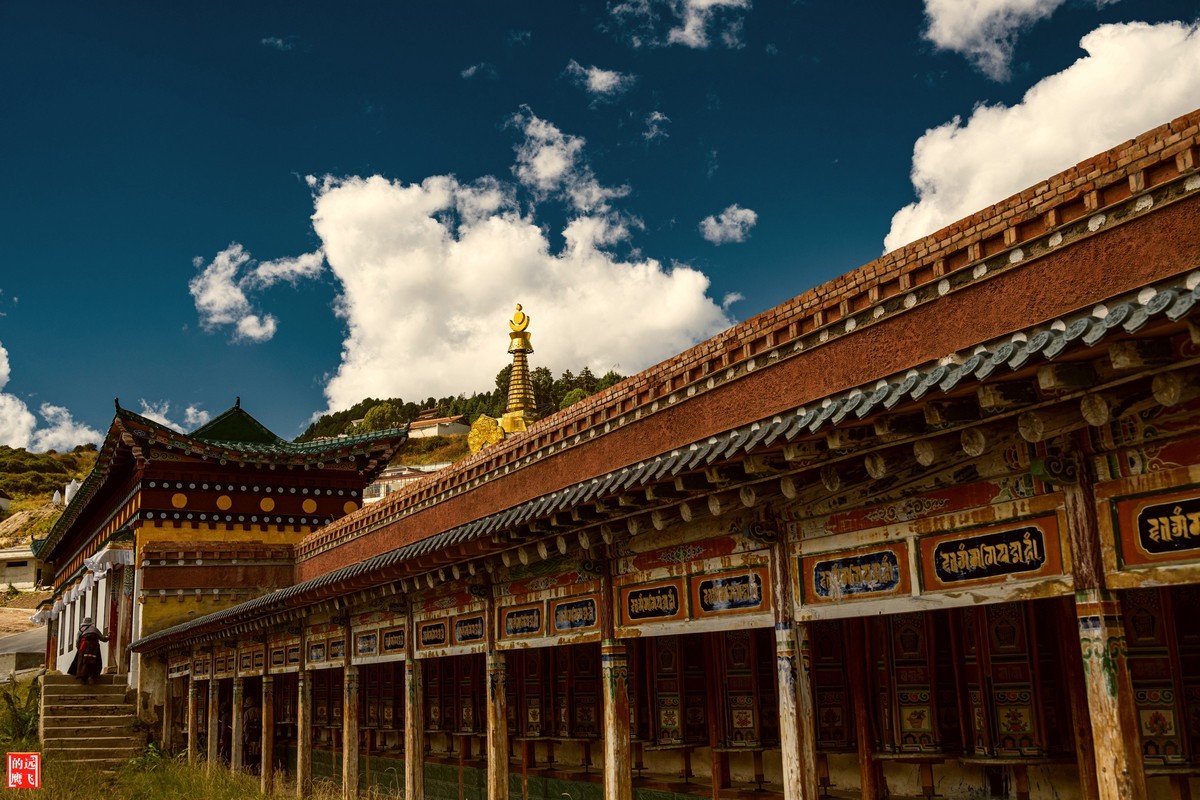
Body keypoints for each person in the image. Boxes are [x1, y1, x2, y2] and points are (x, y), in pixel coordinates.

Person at [66, 616, 108, 684]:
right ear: (91, 623)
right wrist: (108, 638)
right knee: (94, 660)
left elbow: (77, 641)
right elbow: (103, 638)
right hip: (94, 647)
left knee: (82, 661)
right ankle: (92, 676)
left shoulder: (81, 630)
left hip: (84, 647)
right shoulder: (95, 629)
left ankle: (83, 676)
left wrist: (79, 649)